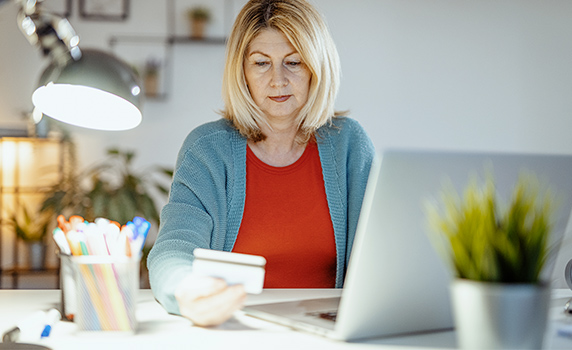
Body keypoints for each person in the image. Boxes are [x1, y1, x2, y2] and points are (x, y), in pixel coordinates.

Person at [147, 0, 375, 327]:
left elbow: (381, 258)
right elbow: (173, 249)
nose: (278, 80)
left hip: (327, 335)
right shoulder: (206, 150)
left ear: (317, 68)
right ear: (242, 71)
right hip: (237, 331)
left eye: (293, 62)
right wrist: (187, 289)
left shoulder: (349, 144)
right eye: (261, 63)